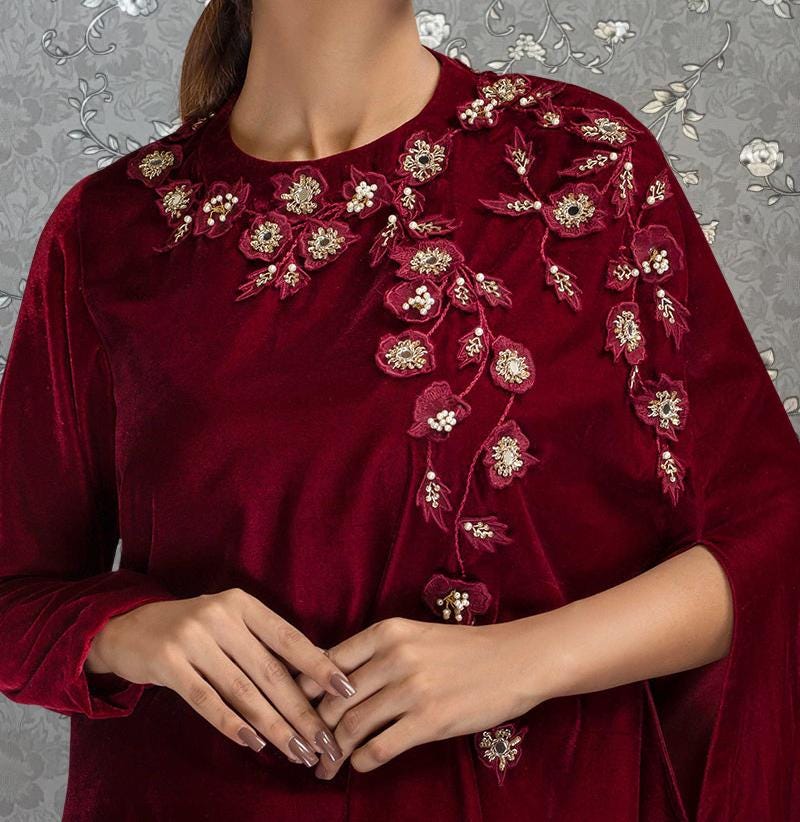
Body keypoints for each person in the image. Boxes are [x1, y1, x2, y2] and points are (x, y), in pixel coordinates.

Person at [1, 1, 798, 820]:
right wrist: (134, 632)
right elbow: (15, 593)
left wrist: (523, 660)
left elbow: (770, 542)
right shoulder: (111, 231)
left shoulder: (582, 163)